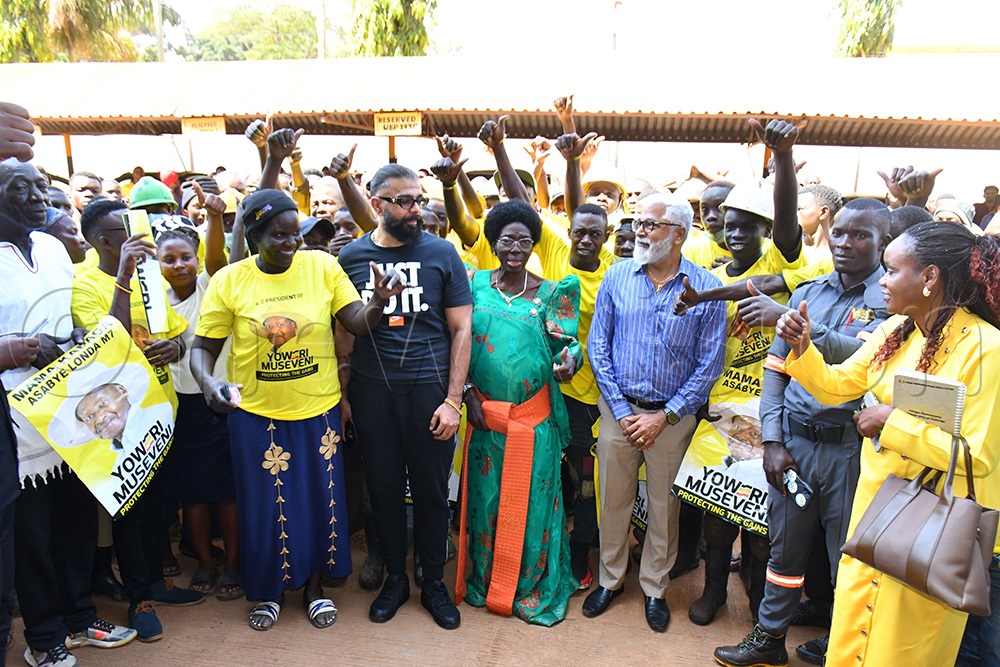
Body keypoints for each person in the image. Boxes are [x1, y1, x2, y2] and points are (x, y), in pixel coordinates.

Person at [775, 222, 1000, 665]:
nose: (881, 281)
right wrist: (802, 348)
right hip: (874, 518)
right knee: (851, 638)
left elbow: (978, 456)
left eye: (891, 270)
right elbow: (839, 386)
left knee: (902, 649)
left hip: (934, 529)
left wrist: (890, 423)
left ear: (929, 277)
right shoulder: (896, 331)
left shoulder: (986, 349)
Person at [191, 188, 406, 632]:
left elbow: (357, 323)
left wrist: (380, 301)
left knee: (317, 501)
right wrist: (208, 381)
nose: (291, 243)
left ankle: (313, 589)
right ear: (252, 236)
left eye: (295, 235)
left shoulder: (323, 266)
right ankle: (268, 592)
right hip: (254, 415)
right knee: (263, 506)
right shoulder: (230, 280)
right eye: (279, 236)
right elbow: (202, 348)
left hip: (317, 410)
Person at [713, 198, 892, 667]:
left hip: (849, 451)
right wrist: (772, 440)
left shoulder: (891, 301)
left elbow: (869, 361)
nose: (845, 243)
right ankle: (770, 639)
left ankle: (843, 645)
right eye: (840, 233)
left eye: (861, 235)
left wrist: (808, 335)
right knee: (784, 552)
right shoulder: (807, 292)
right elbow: (776, 371)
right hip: (794, 446)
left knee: (847, 559)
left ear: (884, 243)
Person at [0, 157, 137, 667]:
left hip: (73, 408)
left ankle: (80, 618)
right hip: (17, 421)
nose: (38, 196)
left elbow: (68, 315)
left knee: (77, 522)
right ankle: (44, 638)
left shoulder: (56, 248)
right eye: (22, 187)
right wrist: (25, 347)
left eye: (41, 186)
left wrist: (76, 340)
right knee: (33, 536)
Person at [678, 120, 806, 628]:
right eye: (728, 225)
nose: (733, 233)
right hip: (719, 416)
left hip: (769, 417)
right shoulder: (706, 273)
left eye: (745, 227)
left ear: (764, 233)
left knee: (761, 525)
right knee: (716, 516)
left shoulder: (782, 260)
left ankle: (755, 603)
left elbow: (789, 216)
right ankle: (713, 595)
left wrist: (783, 158)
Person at [337, 163, 472, 630]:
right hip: (374, 394)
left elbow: (461, 329)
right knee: (384, 491)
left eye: (419, 199)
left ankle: (431, 581)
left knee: (433, 494)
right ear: (377, 204)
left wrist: (453, 399)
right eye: (405, 201)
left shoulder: (442, 253)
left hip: (429, 392)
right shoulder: (351, 258)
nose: (417, 209)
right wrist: (344, 394)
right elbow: (344, 334)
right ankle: (396, 578)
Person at [585, 191, 726, 632]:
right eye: (638, 223)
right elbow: (598, 346)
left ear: (679, 234)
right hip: (619, 411)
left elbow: (710, 362)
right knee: (614, 501)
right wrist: (624, 411)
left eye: (650, 225)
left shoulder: (703, 288)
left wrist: (664, 417)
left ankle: (654, 589)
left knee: (664, 508)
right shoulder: (617, 276)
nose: (640, 232)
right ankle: (611, 580)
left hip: (672, 418)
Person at [74, 197, 202, 641]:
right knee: (129, 511)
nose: (137, 234)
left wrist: (178, 347)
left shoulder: (151, 275)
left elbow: (175, 332)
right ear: (103, 240)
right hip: (120, 422)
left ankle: (155, 583)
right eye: (124, 228)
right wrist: (125, 278)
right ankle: (138, 598)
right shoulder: (84, 283)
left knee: (157, 507)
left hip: (160, 409)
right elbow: (105, 342)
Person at [457, 199, 582, 625]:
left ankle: (526, 585)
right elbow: (454, 343)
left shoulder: (552, 293)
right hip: (484, 420)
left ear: (533, 246)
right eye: (507, 239)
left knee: (531, 504)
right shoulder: (473, 285)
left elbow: (568, 345)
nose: (515, 248)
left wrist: (572, 360)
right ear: (493, 242)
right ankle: (488, 580)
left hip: (533, 422)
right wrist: (467, 392)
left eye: (524, 241)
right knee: (486, 502)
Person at [156, 183, 242, 601]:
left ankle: (234, 563)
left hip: (219, 401)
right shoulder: (154, 303)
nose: (179, 265)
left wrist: (212, 218)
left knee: (227, 493)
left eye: (184, 257)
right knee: (193, 495)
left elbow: (215, 256)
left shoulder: (211, 286)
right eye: (168, 260)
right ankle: (206, 562)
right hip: (179, 407)